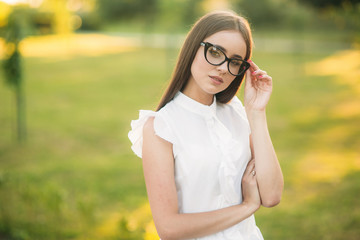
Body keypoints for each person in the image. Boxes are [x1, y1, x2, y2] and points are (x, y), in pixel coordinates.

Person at [128, 10, 283, 240]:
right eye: (215, 52)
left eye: (235, 62)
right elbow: (169, 228)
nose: (222, 67)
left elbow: (271, 195)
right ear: (193, 47)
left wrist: (257, 112)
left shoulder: (237, 114)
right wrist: (246, 207)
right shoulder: (161, 127)